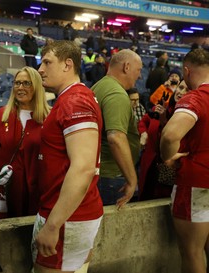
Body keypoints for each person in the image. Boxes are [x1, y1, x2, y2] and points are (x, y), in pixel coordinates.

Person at [33, 40, 103, 273]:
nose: (40, 69)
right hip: (69, 215)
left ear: (68, 64)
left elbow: (83, 168)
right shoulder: (71, 98)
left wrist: (53, 225)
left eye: (47, 62)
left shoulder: (74, 101)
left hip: (67, 218)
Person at [160, 48, 209, 273]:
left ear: (187, 71)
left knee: (191, 252)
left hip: (195, 183)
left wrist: (167, 158)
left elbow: (170, 135)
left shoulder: (196, 98)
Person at [0, 66, 51, 218]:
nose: (20, 87)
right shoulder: (3, 114)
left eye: (26, 83)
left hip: (37, 194)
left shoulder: (49, 117)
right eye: (17, 83)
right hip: (6, 193)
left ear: (37, 87)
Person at [92, 49, 142, 207]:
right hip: (112, 176)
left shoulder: (99, 86)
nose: (140, 75)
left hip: (102, 173)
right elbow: (116, 138)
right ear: (127, 67)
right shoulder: (117, 94)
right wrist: (132, 179)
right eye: (138, 70)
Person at [138, 81, 189, 200]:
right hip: (149, 164)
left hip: (169, 170)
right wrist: (143, 133)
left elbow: (169, 140)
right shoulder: (160, 107)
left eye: (187, 90)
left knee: (161, 204)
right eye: (180, 87)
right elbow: (143, 121)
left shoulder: (187, 117)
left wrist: (163, 121)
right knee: (144, 197)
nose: (181, 92)